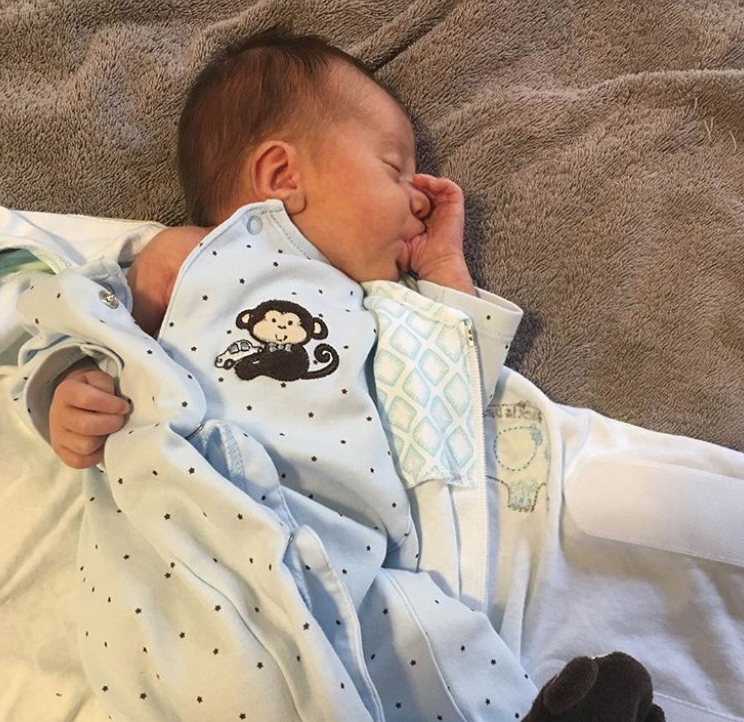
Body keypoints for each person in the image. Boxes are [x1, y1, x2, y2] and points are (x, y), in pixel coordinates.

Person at [12, 30, 541, 722]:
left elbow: (447, 388)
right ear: (282, 176)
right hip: (187, 524)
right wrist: (66, 380)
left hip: (347, 557)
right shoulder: (188, 254)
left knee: (444, 641)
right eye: (393, 170)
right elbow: (76, 313)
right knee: (226, 675)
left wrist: (443, 269)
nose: (418, 197)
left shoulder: (381, 304)